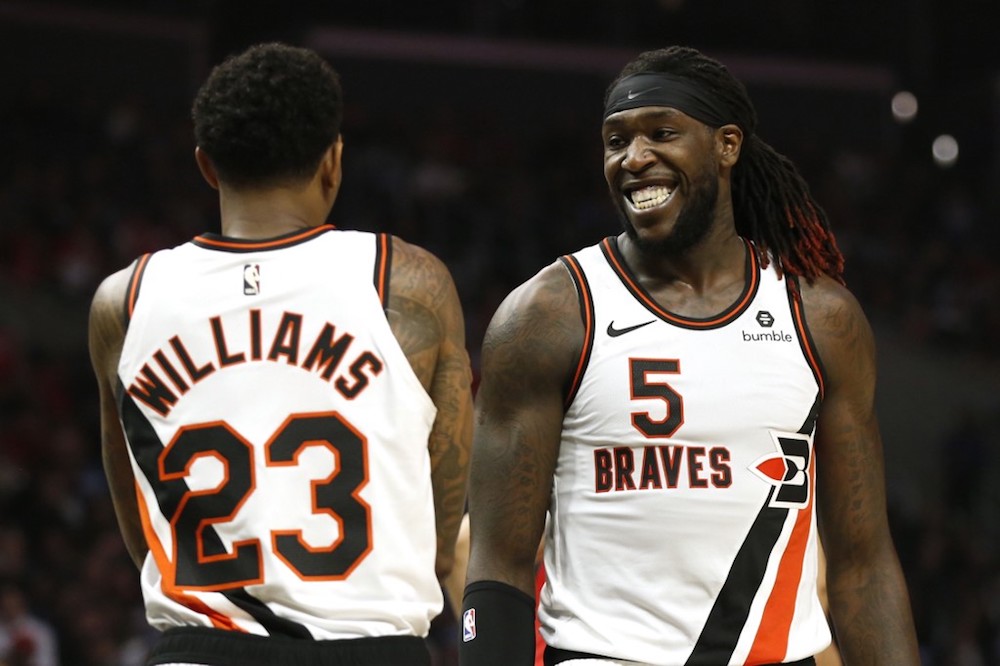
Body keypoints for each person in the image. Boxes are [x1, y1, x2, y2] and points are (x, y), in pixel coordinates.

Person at [460, 45, 919, 666]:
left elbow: (863, 564)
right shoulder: (547, 315)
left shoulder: (821, 318)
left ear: (727, 145)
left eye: (662, 133)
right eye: (616, 139)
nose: (634, 157)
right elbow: (500, 564)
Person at [88, 42, 473, 666]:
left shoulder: (123, 302)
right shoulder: (407, 281)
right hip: (372, 646)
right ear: (334, 161)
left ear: (206, 167)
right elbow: (442, 515)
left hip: (201, 647)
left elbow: (140, 527)